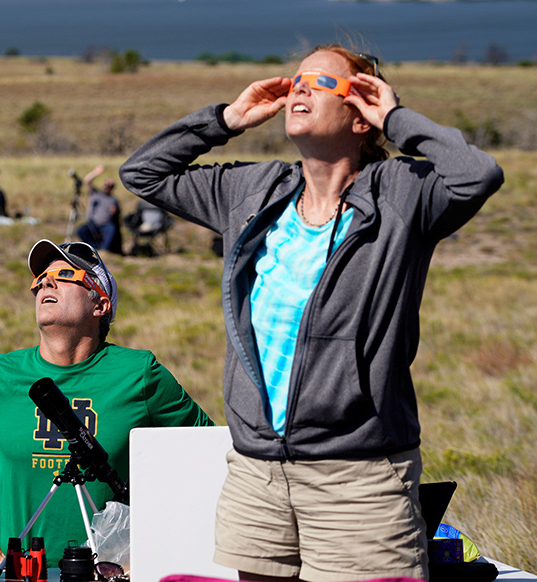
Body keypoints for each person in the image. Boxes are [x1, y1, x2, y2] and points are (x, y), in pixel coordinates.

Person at [119, 44, 504, 582]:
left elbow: (477, 175)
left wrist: (397, 118)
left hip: (358, 479)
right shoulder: (254, 189)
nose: (298, 88)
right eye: (295, 80)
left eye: (320, 83)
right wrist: (227, 119)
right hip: (258, 474)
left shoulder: (400, 194)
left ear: (360, 110)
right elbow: (143, 174)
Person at [0, 239, 213, 570]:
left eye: (64, 273)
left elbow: (209, 452)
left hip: (115, 574)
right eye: (40, 279)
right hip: (24, 574)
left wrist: (162, 543)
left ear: (100, 305)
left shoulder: (139, 374)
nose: (45, 282)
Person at [76, 165, 122, 253]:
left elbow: (119, 213)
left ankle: (104, 250)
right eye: (107, 185)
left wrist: (115, 212)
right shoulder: (95, 193)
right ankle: (92, 247)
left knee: (112, 229)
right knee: (81, 230)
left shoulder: (113, 199)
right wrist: (96, 173)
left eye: (110, 186)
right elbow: (86, 181)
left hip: (106, 225)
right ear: (103, 185)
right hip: (93, 223)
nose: (107, 187)